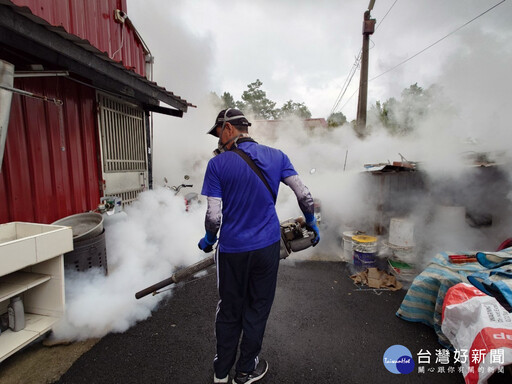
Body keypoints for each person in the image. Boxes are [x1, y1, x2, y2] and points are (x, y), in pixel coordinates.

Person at [198, 108, 320, 384]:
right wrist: (311, 222)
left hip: (232, 251)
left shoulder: (217, 165)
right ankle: (244, 372)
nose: (218, 141)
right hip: (266, 248)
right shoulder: (278, 156)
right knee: (257, 308)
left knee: (230, 310)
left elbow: (214, 216)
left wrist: (208, 239)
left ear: (228, 128)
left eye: (218, 134)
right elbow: (304, 194)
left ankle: (221, 373)